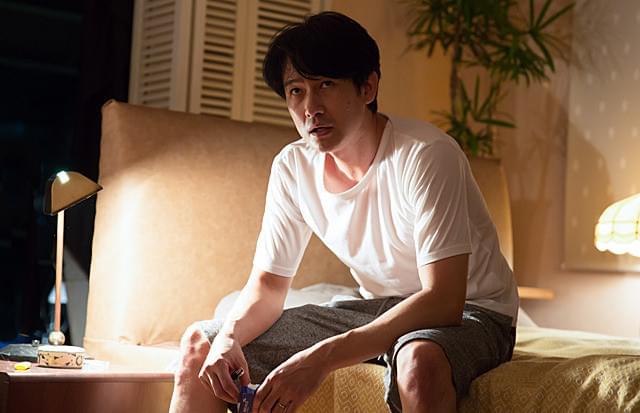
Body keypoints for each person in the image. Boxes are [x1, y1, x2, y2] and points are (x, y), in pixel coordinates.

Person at [168, 11, 518, 413]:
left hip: (473, 312)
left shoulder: (425, 155)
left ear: (368, 87)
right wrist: (229, 337)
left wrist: (322, 357)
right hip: (376, 305)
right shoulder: (293, 167)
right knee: (202, 347)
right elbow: (268, 287)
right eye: (296, 91)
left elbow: (443, 299)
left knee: (418, 361)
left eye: (326, 85)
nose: (310, 107)